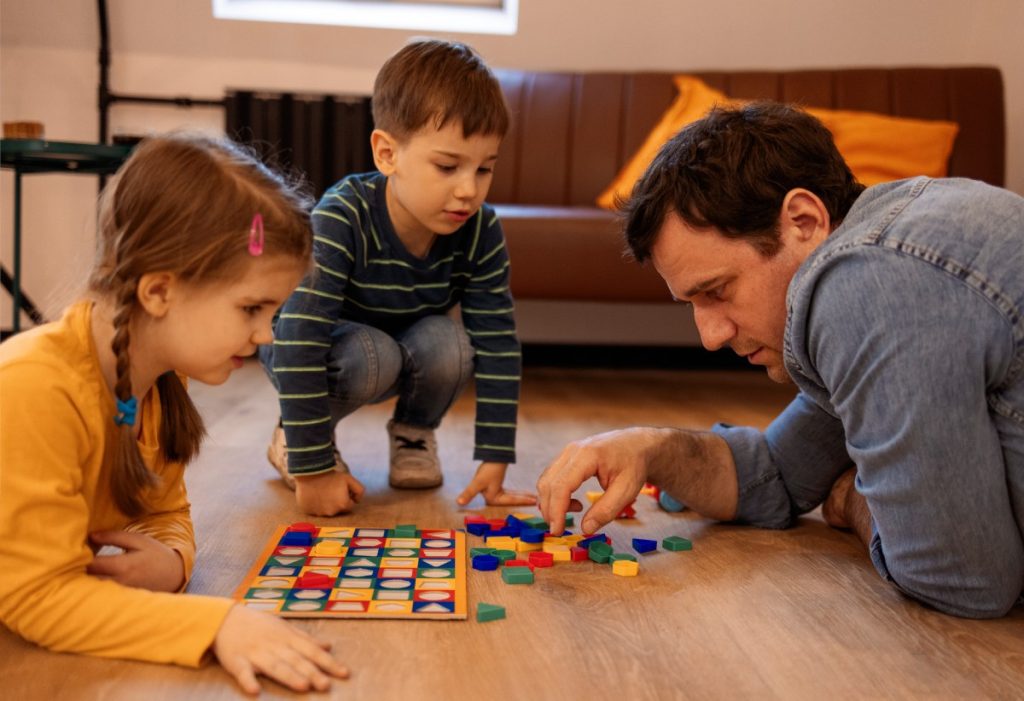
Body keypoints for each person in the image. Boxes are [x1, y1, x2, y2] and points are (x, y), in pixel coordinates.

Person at [536, 102, 1024, 619]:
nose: (710, 336)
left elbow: (959, 580)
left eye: (718, 291)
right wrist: (647, 449)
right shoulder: (883, 249)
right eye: (693, 305)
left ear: (803, 222)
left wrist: (852, 500)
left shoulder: (869, 286)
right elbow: (776, 474)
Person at [0, 134, 350, 693]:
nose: (266, 336)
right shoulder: (31, 389)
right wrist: (218, 623)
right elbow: (38, 597)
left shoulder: (160, 383)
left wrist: (173, 563)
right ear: (160, 291)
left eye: (274, 312)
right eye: (251, 309)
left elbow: (167, 514)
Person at [262, 39, 535, 516]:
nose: (468, 190)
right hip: (305, 347)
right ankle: (297, 438)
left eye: (485, 169)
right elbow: (300, 334)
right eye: (447, 166)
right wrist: (313, 468)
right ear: (387, 154)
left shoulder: (480, 230)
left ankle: (413, 433)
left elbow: (497, 342)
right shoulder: (342, 214)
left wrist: (495, 457)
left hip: (393, 346)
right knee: (375, 355)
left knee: (451, 343)